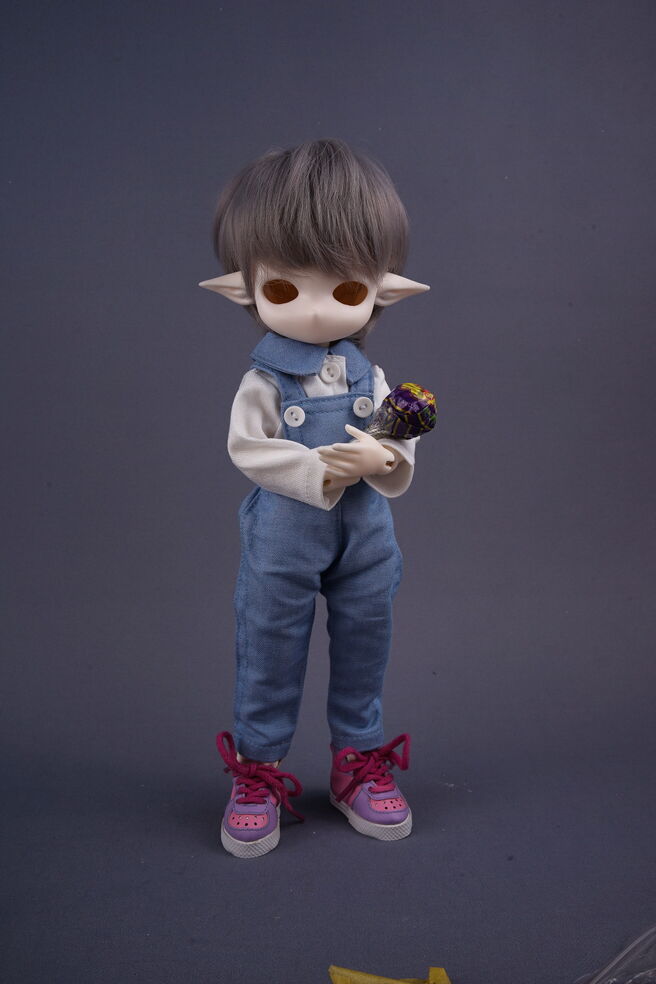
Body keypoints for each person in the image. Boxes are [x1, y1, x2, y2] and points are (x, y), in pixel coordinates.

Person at [200, 138, 430, 858]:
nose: (317, 310)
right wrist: (319, 471)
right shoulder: (265, 381)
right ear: (243, 287)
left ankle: (356, 760)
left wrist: (384, 455)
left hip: (366, 535)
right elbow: (248, 447)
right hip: (285, 534)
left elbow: (399, 436)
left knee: (366, 641)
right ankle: (259, 767)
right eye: (284, 289)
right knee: (270, 644)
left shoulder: (371, 375)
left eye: (346, 290)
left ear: (383, 288)